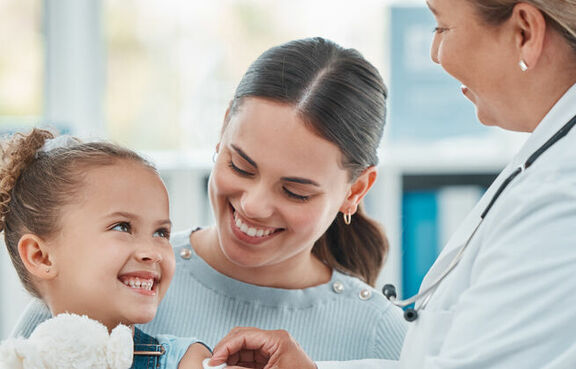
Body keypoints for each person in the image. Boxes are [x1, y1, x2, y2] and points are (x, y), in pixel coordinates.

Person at [207, 0, 576, 368]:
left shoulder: (561, 197)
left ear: (524, 31)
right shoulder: (552, 168)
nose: (435, 53)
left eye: (442, 27)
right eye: (240, 166)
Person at [11, 37, 407, 361]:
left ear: (355, 190)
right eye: (241, 166)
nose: (253, 205)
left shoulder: (381, 335)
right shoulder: (105, 280)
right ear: (223, 129)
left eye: (294, 191)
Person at [0, 129, 211, 368]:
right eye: (122, 227)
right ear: (41, 257)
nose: (152, 252)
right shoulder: (19, 361)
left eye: (161, 233)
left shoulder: (187, 361)